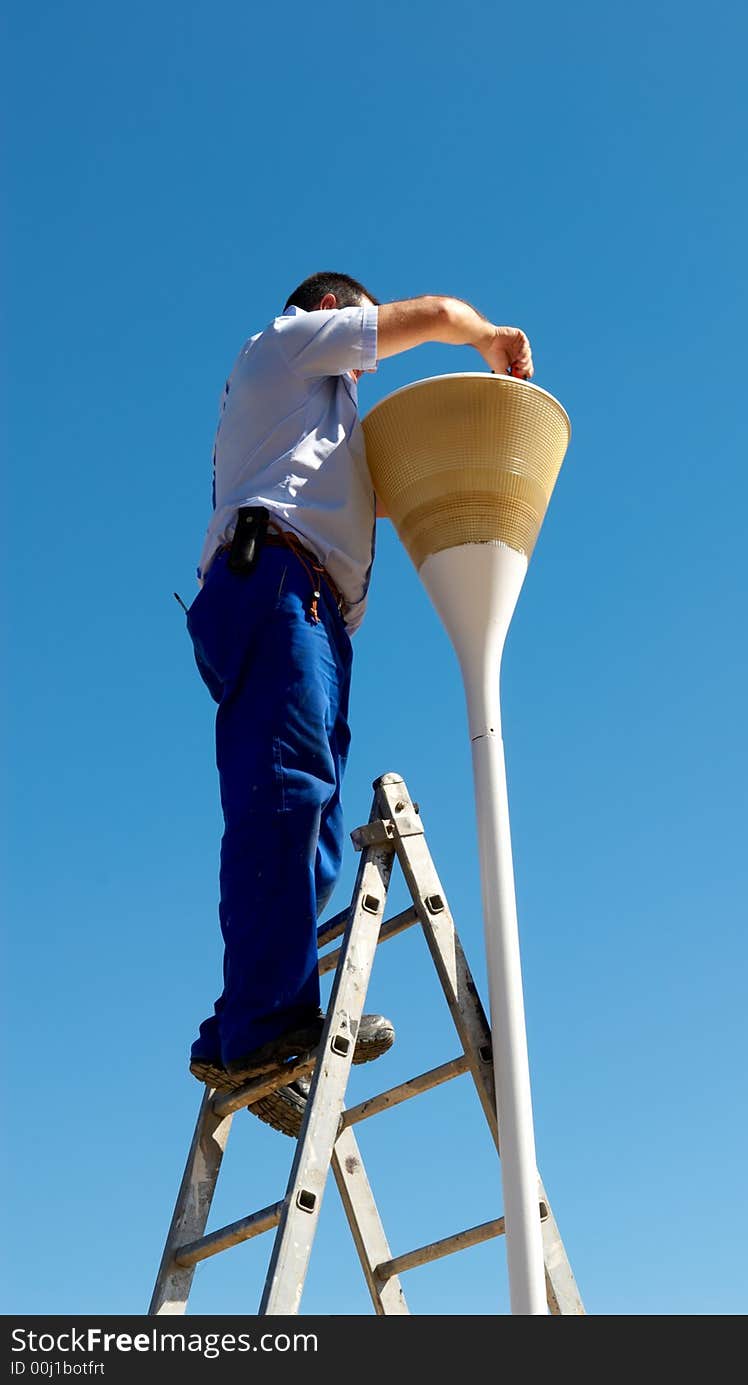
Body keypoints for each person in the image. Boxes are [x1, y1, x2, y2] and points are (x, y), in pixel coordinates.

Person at [185, 271, 534, 1136]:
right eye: (363, 336)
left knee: (311, 825)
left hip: (308, 607)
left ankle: (244, 1026)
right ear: (335, 311)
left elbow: (385, 495)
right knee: (287, 798)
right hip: (278, 586)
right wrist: (485, 334)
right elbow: (435, 315)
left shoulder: (317, 426)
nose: (369, 364)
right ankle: (264, 1030)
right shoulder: (294, 339)